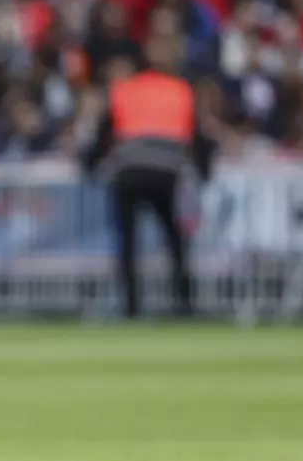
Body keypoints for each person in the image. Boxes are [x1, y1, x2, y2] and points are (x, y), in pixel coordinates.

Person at [83, 44, 215, 318]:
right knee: (175, 240)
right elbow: (197, 136)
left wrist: (89, 165)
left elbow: (104, 133)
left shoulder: (124, 90)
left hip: (129, 171)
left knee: (128, 241)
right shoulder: (179, 89)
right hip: (166, 172)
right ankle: (184, 301)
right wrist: (205, 172)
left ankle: (132, 306)